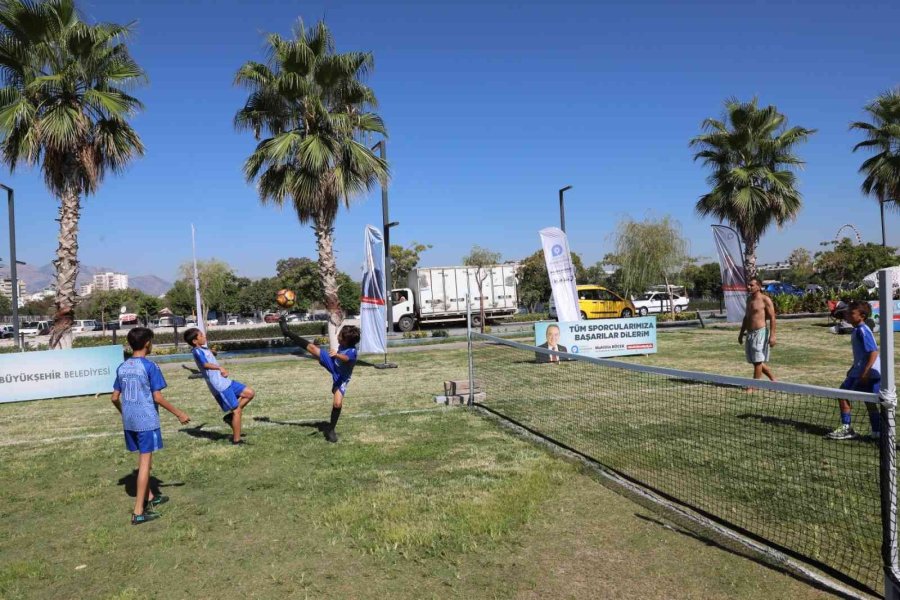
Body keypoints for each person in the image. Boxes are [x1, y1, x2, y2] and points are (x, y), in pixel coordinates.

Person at [111, 327, 190, 525]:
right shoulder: (150, 366)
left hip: (129, 421)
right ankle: (138, 512)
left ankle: (151, 497)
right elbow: (158, 397)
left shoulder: (122, 367)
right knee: (145, 463)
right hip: (146, 421)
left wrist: (125, 412)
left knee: (145, 461)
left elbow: (114, 397)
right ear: (147, 343)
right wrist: (179, 413)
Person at [279, 316, 360, 443]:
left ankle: (331, 429)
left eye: (340, 337)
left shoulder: (352, 352)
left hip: (341, 377)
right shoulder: (344, 342)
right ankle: (287, 331)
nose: (338, 337)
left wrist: (337, 354)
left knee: (337, 404)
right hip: (333, 363)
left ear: (346, 341)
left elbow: (346, 359)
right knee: (312, 348)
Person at [184, 328, 256, 445]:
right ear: (194, 341)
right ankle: (237, 441)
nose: (204, 336)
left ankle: (230, 417)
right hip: (219, 386)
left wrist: (213, 352)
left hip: (225, 381)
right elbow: (205, 364)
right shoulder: (196, 351)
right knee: (237, 410)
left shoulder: (203, 348)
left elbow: (209, 357)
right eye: (201, 335)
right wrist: (220, 368)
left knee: (250, 393)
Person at [827, 301, 882, 440]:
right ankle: (877, 432)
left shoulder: (862, 330)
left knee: (843, 394)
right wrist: (853, 367)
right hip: (865, 371)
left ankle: (847, 428)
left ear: (862, 316)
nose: (848, 316)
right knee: (869, 401)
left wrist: (864, 372)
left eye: (851, 313)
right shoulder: (858, 329)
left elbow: (873, 352)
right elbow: (863, 354)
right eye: (847, 313)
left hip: (866, 373)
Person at [738, 277, 777, 382]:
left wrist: (773, 336)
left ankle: (755, 385)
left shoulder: (765, 300)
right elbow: (746, 317)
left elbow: (772, 317)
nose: (748, 287)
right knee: (755, 361)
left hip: (761, 332)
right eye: (748, 285)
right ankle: (773, 379)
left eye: (751, 285)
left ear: (759, 287)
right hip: (750, 333)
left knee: (758, 360)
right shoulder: (749, 299)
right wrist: (741, 333)